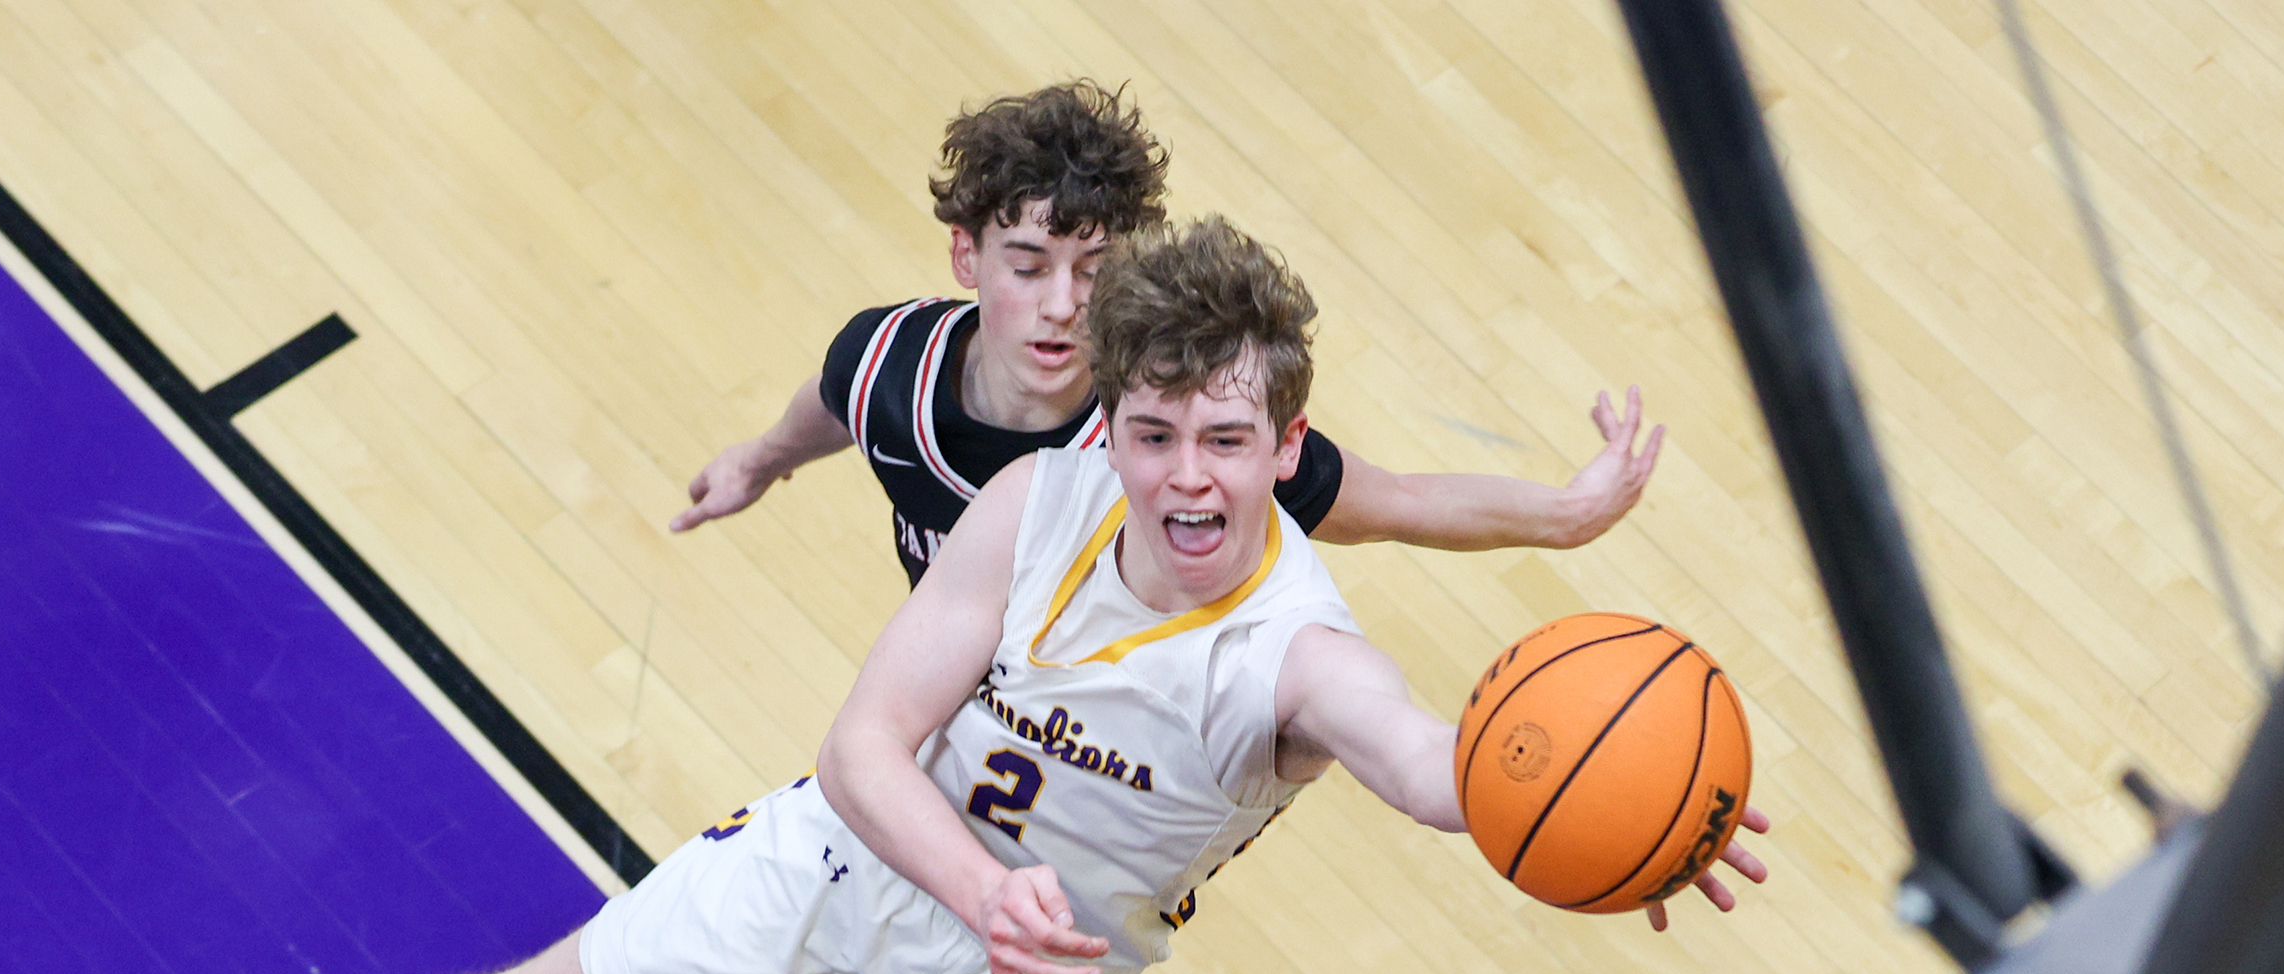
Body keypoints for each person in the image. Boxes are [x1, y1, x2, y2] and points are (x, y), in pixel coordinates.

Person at [0, 220, 1767, 974]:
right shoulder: (1039, 504)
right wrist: (981, 886)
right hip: (859, 865)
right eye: (1157, 434)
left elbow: (1443, 771)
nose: (1191, 478)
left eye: (1228, 438)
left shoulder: (1299, 649)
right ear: (1117, 429)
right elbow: (861, 749)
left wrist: (1622, 825)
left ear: (1282, 435)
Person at [669, 81, 1665, 587]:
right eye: (1028, 266)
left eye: (1094, 273)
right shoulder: (886, 361)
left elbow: (1396, 500)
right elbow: (837, 401)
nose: (1063, 303)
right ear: (967, 259)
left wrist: (1563, 514)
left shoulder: (1177, 436)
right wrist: (761, 461)